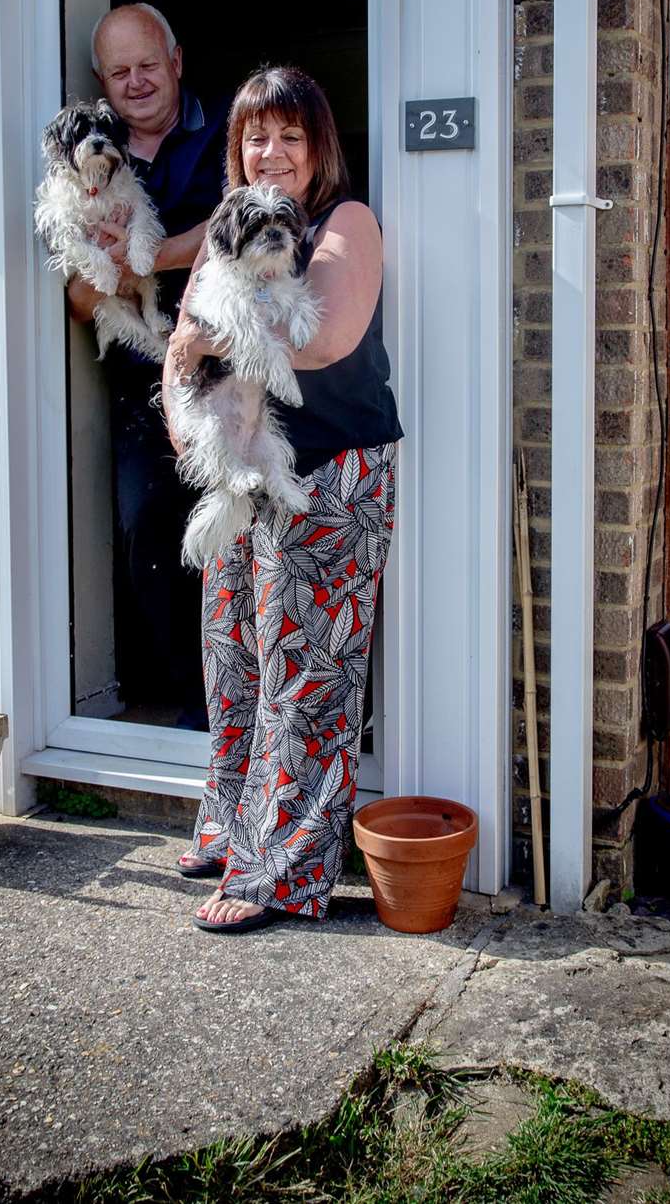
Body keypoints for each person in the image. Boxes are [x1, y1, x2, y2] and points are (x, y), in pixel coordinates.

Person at [161, 66, 403, 931]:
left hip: (332, 472)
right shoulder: (229, 232)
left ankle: (286, 871)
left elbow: (324, 336)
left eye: (290, 137)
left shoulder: (345, 224)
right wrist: (193, 435)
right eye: (256, 137)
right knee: (231, 660)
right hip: (239, 467)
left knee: (308, 675)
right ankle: (231, 826)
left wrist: (205, 336)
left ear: (318, 148)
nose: (271, 153)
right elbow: (178, 351)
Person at [68, 3, 225, 728]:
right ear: (102, 81)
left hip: (227, 370)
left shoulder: (230, 134)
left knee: (234, 527)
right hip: (140, 382)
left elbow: (238, 228)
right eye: (119, 71)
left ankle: (236, 700)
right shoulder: (92, 157)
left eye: (147, 65)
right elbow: (74, 291)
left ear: (178, 60)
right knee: (145, 529)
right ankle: (186, 701)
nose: (136, 83)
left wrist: (144, 259)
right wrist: (123, 275)